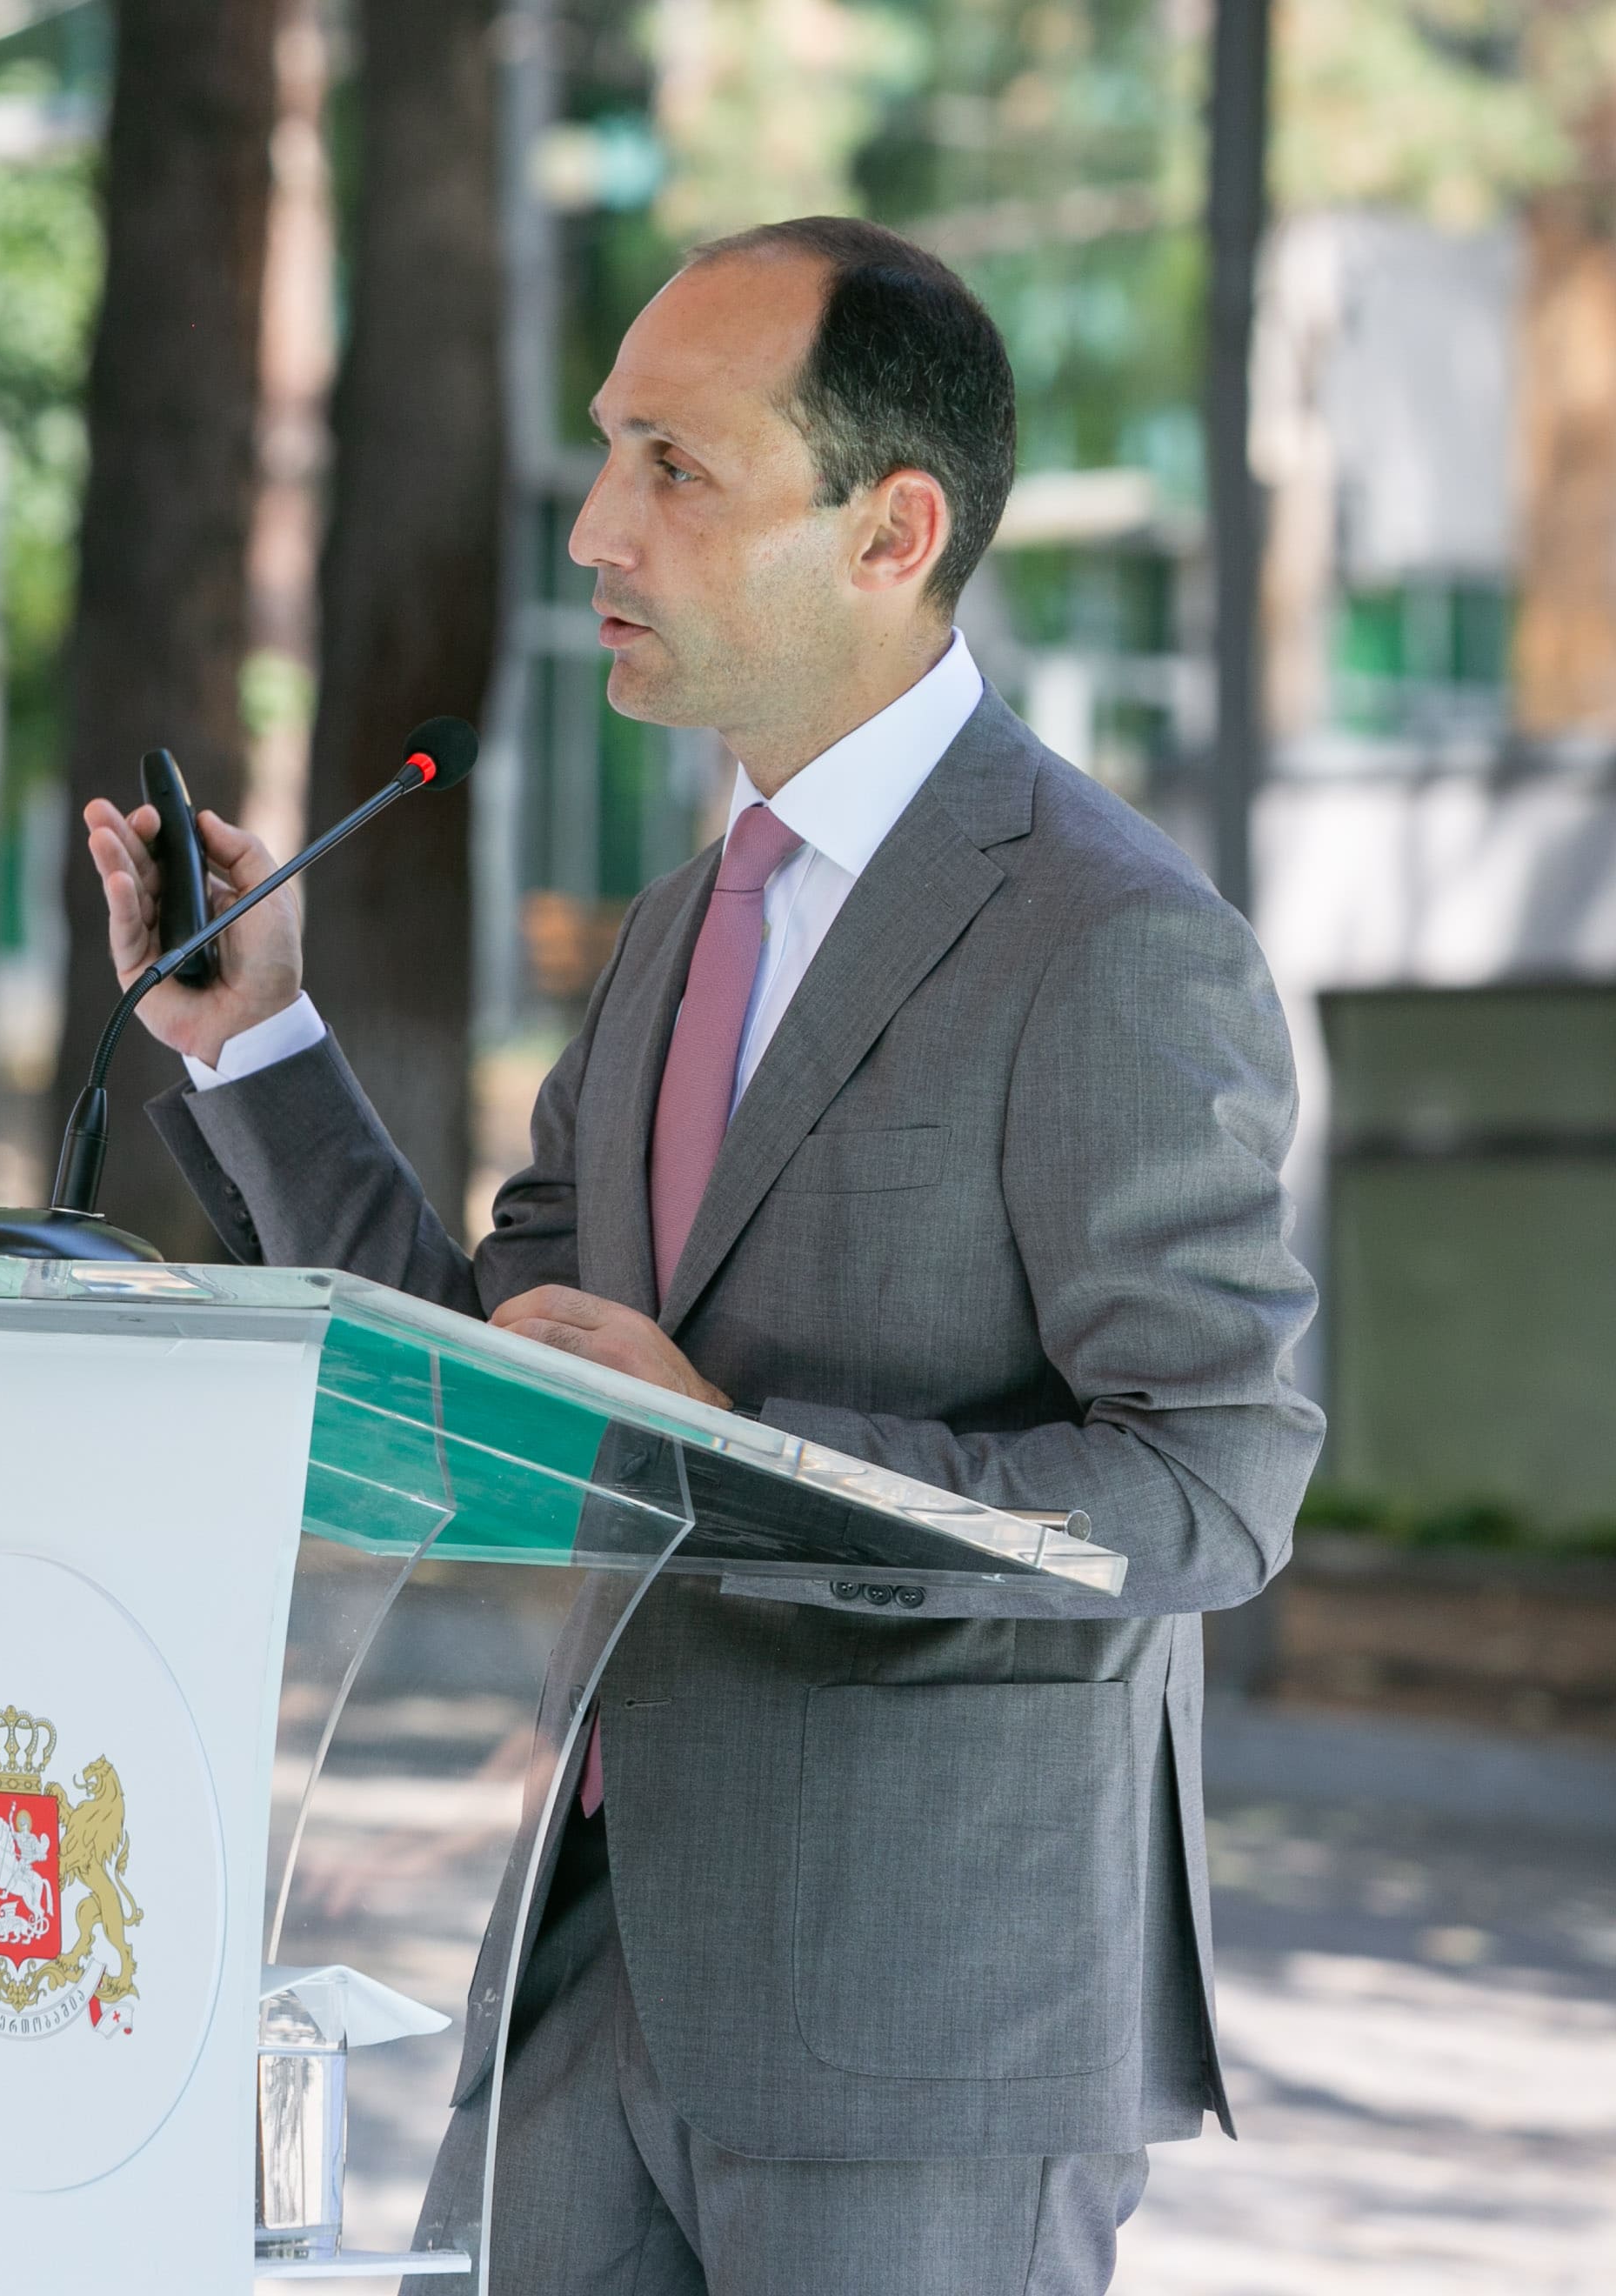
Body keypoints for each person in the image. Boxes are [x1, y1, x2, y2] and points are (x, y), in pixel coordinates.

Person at [83, 217, 1321, 2294]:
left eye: (674, 467)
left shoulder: (1112, 943)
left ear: (891, 531)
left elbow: (1214, 1483)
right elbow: (507, 1366)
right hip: (582, 1990)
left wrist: (745, 1448)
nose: (595, 528)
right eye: (606, 453)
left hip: (918, 2036)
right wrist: (255, 1043)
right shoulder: (679, 931)